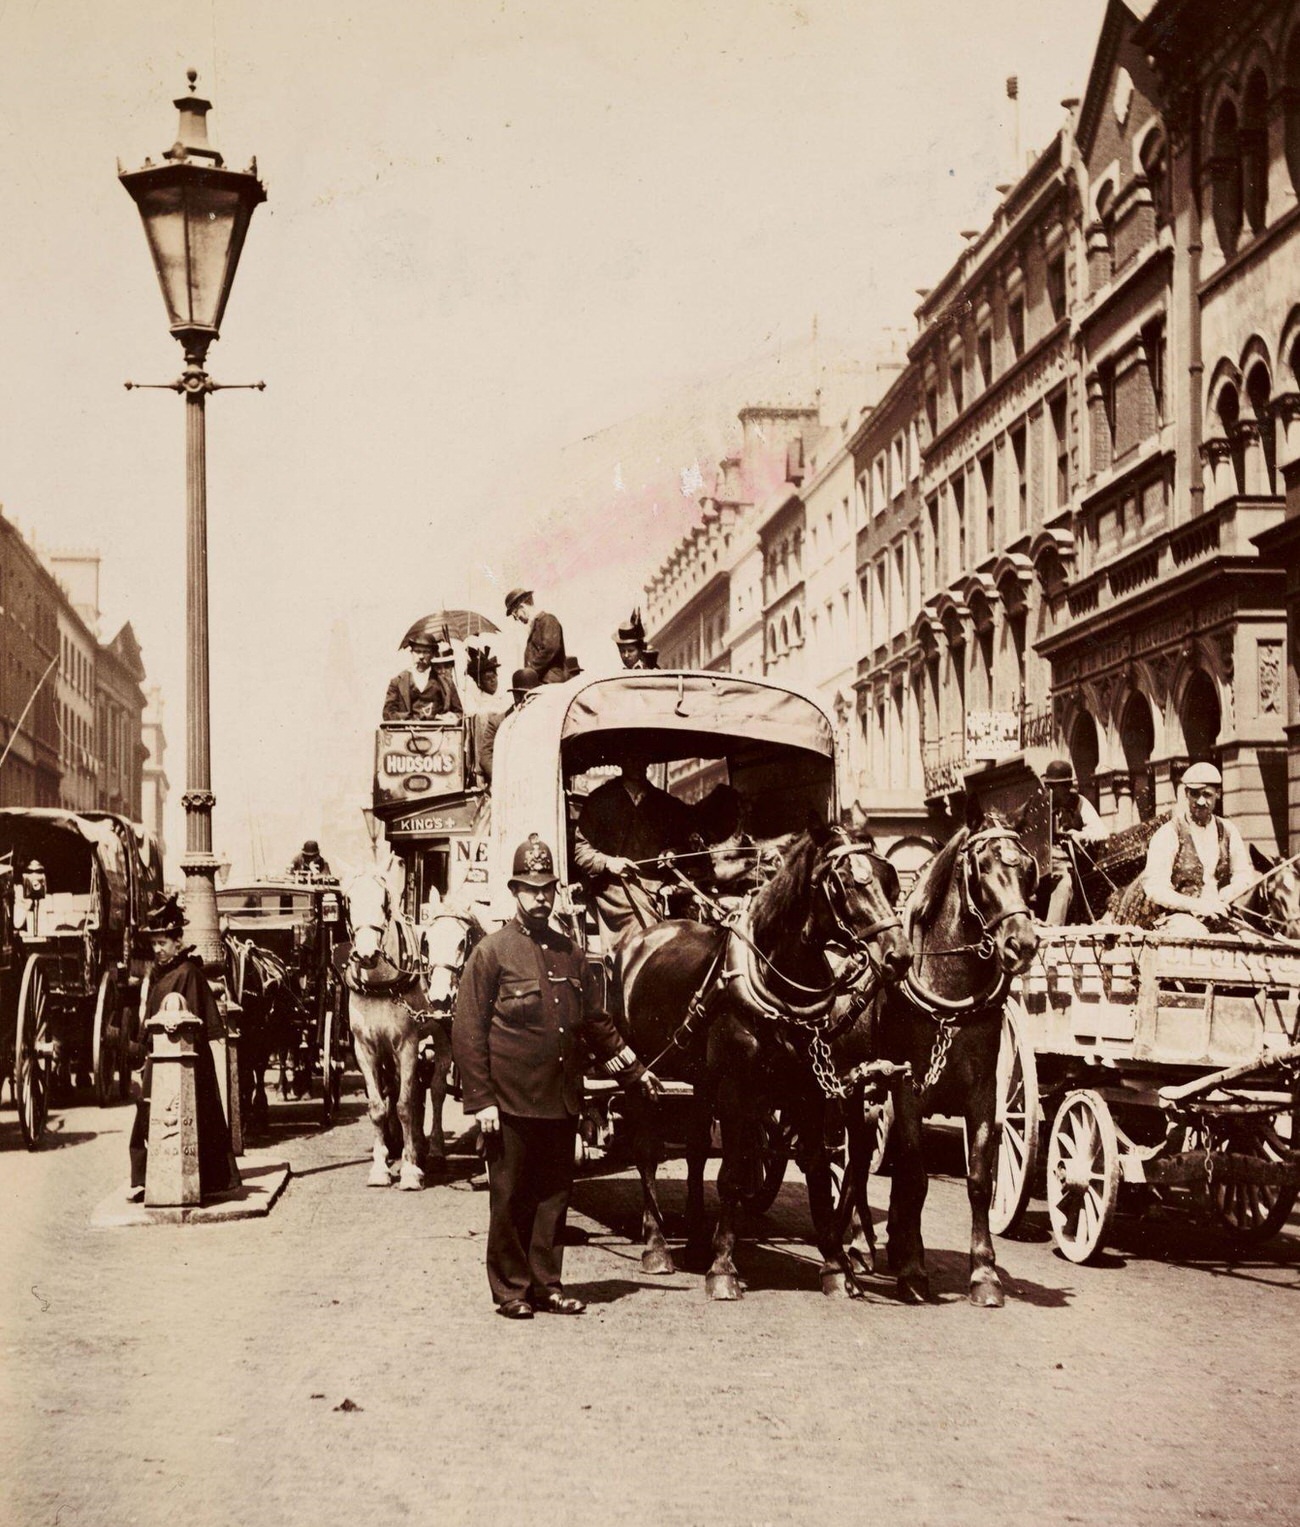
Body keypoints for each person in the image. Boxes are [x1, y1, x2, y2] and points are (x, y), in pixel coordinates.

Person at [452, 835, 661, 1318]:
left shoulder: (570, 953)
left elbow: (594, 1023)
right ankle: (510, 1290)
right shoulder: (492, 953)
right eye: (531, 888)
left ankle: (546, 1284)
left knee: (553, 1198)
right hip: (509, 1101)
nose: (541, 897)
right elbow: (468, 1032)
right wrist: (481, 1100)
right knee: (509, 1198)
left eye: (547, 888)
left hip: (560, 1098)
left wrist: (633, 1070)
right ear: (515, 891)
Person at [127, 896, 240, 1203]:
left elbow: (197, 1025)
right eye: (154, 944)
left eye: (163, 943)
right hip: (158, 1059)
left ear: (178, 942)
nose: (157, 949)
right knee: (148, 1113)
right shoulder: (158, 974)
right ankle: (147, 1178)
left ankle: (197, 1177)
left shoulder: (188, 973)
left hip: (186, 1064)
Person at [573, 744, 693, 935]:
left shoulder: (665, 803)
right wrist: (608, 862)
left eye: (642, 757)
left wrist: (673, 853)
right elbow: (581, 852)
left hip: (660, 886)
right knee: (647, 929)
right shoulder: (599, 801)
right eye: (631, 757)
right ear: (620, 761)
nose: (637, 762)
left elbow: (685, 845)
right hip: (613, 889)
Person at [1141, 761, 1255, 934]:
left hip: (1220, 915)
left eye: (1207, 794)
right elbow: (1154, 888)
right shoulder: (1169, 833)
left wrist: (1227, 894)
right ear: (1186, 794)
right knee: (1197, 935)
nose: (1201, 801)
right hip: (1178, 918)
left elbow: (1244, 875)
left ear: (1218, 794)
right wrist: (1198, 905)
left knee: (1250, 938)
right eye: (1195, 794)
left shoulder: (1229, 830)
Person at [1041, 759, 1106, 923]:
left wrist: (1079, 835)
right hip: (1043, 864)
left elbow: (1102, 832)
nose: (1050, 790)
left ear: (1065, 786)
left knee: (1064, 884)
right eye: (1048, 786)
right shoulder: (1041, 806)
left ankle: (1052, 928)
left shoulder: (1080, 803)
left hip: (1068, 865)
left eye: (1054, 787)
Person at [477, 668, 540, 785]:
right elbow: (486, 757)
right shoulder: (497, 722)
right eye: (528, 697)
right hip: (505, 783)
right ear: (517, 696)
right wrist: (502, 780)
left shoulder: (539, 720)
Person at [383, 634, 463, 721]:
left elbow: (459, 713)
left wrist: (453, 717)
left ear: (433, 655)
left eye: (426, 652)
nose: (421, 656)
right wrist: (410, 719)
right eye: (417, 652)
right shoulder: (397, 682)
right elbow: (387, 713)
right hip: (407, 732)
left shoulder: (446, 682)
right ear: (411, 653)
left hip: (439, 731)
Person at [504, 588, 568, 685]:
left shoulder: (548, 620)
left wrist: (529, 672)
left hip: (551, 682)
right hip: (542, 682)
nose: (516, 619)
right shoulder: (536, 625)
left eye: (515, 614)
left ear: (522, 607)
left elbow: (550, 648)